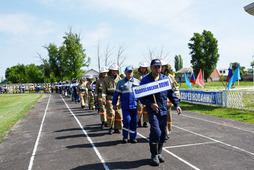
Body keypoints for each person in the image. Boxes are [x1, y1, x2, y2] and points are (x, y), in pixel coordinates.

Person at [140, 59, 182, 166]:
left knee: (163, 133)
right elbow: (142, 97)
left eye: (159, 67)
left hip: (163, 109)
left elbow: (171, 94)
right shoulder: (145, 80)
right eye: (155, 67)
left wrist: (177, 105)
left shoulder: (165, 79)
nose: (157, 69)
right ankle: (153, 155)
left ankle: (159, 153)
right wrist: (150, 104)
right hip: (153, 110)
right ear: (151, 67)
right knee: (156, 131)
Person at [112, 66, 140, 143]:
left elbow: (141, 94)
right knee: (127, 120)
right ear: (125, 73)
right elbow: (116, 94)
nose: (129, 73)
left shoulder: (137, 82)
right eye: (128, 72)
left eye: (131, 72)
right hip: (125, 105)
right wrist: (114, 103)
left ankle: (132, 137)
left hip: (134, 105)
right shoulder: (120, 82)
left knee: (134, 122)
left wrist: (143, 103)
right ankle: (125, 136)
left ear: (133, 73)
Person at [161, 60, 180, 140]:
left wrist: (177, 98)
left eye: (163, 66)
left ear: (166, 67)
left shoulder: (170, 77)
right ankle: (161, 133)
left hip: (168, 102)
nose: (161, 68)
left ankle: (166, 133)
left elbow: (175, 88)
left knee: (168, 119)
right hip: (158, 103)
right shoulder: (155, 77)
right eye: (160, 66)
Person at [102, 64, 123, 135]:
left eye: (116, 70)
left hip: (118, 99)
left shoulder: (120, 79)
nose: (114, 72)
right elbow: (104, 91)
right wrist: (103, 100)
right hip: (110, 98)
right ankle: (110, 127)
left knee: (118, 114)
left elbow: (122, 90)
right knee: (111, 113)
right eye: (113, 70)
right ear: (110, 71)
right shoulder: (106, 80)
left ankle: (117, 128)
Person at [134, 61, 149, 128]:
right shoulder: (136, 76)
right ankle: (138, 120)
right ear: (139, 68)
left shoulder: (149, 75)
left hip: (147, 94)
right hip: (139, 94)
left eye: (144, 68)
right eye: (142, 68)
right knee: (139, 108)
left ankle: (145, 122)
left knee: (146, 109)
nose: (143, 69)